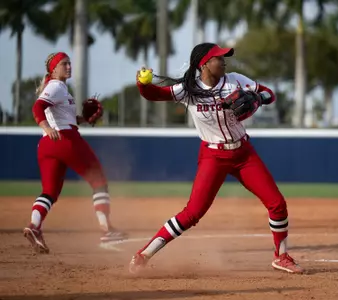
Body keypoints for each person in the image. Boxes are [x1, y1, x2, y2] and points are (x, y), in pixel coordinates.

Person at [129, 43, 303, 274]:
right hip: (213, 156)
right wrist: (143, 83)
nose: (224, 61)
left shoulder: (235, 80)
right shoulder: (188, 90)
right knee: (192, 213)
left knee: (277, 203)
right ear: (204, 64)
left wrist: (257, 97)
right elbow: (153, 94)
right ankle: (144, 254)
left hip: (243, 153)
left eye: (224, 58)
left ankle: (281, 257)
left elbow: (269, 93)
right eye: (218, 58)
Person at [24, 52, 127, 254]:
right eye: (64, 64)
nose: (69, 67)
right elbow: (38, 108)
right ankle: (107, 230)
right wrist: (47, 127)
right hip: (64, 140)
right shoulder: (56, 86)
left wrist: (83, 119)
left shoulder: (58, 88)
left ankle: (34, 226)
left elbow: (64, 118)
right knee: (99, 180)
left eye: (70, 63)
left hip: (47, 145)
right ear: (53, 69)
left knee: (50, 192)